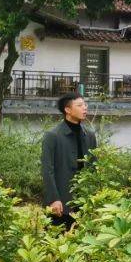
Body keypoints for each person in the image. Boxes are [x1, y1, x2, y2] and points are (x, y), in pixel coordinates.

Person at [42, 93, 97, 228]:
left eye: (85, 105)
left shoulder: (89, 135)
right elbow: (47, 170)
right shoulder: (52, 136)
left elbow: (93, 168)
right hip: (60, 202)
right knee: (57, 244)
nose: (84, 108)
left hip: (84, 201)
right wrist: (54, 199)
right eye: (79, 105)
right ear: (67, 110)